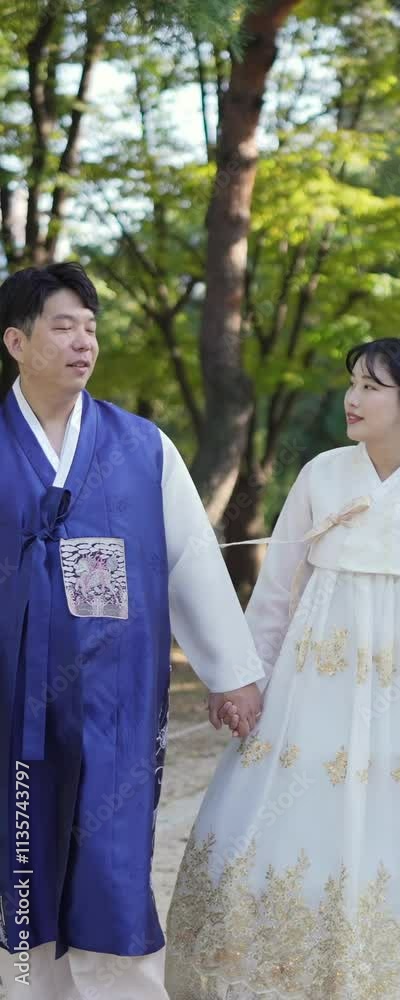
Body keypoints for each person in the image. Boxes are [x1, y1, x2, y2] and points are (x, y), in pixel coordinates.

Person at [165, 337, 400, 1000]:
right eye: (353, 383)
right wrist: (244, 679)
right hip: (316, 679)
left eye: (372, 387)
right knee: (298, 813)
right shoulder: (321, 474)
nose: (353, 398)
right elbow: (276, 592)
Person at [0, 262, 264, 1000]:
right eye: (63, 327)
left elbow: (191, 561)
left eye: (90, 327)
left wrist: (231, 674)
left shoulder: (142, 447)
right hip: (11, 701)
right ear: (16, 342)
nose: (83, 342)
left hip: (114, 700)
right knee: (19, 855)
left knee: (111, 862)